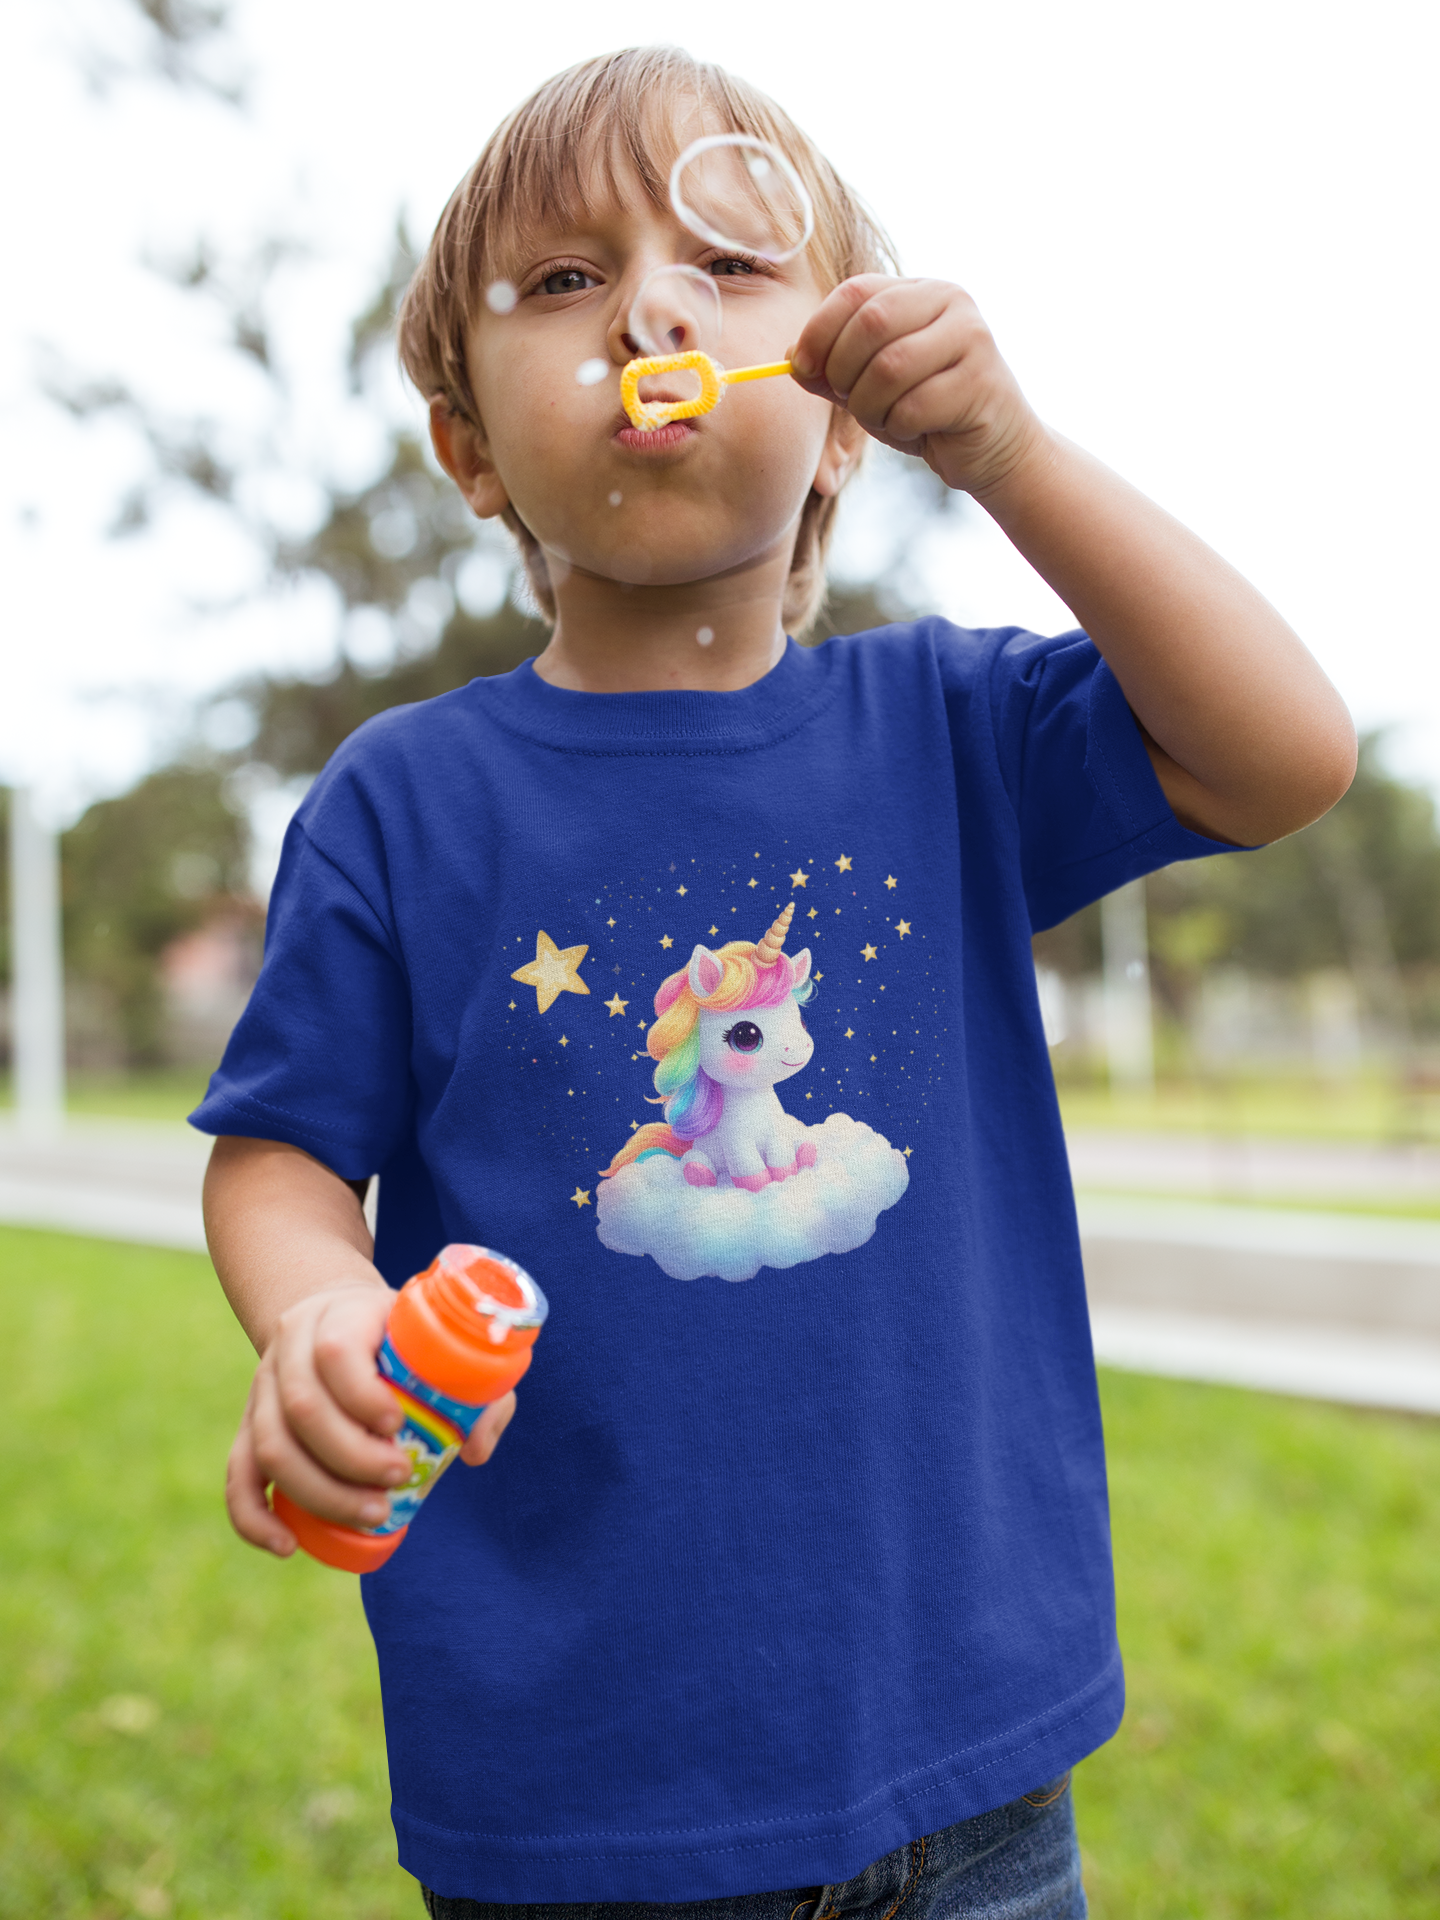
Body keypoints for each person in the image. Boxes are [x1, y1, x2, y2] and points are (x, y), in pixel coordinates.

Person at [194, 46, 1356, 1920]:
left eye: (728, 266)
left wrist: (1014, 457)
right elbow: (279, 1154)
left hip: (975, 1780)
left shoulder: (955, 726)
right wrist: (322, 1311)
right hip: (577, 1799)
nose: (651, 310)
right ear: (470, 448)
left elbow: (1283, 756)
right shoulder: (402, 803)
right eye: (564, 280)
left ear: (838, 419)